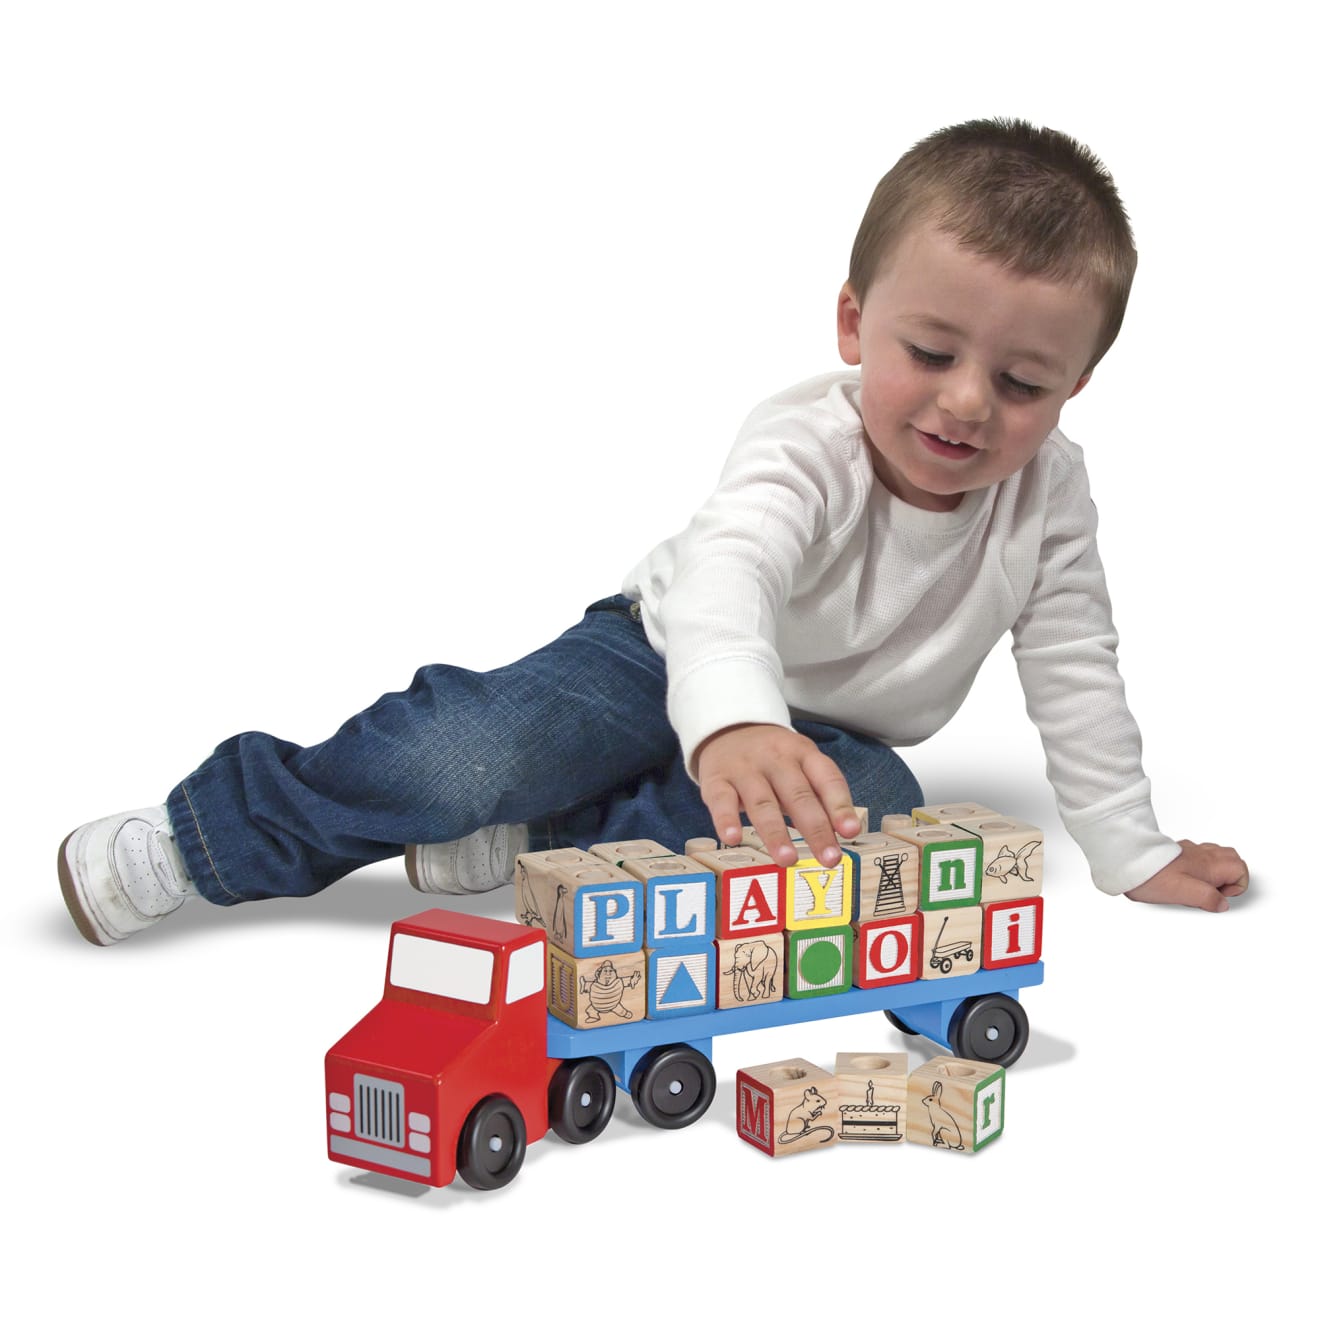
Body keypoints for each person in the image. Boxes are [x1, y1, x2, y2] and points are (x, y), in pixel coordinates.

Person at [58, 117, 1248, 947]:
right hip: (662, 653)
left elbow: (1076, 666)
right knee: (470, 753)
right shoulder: (807, 442)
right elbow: (732, 572)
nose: (968, 403)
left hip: (825, 730)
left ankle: (549, 838)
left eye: (1024, 383)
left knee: (875, 809)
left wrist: (1128, 848)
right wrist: (729, 719)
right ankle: (210, 836)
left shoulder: (1051, 499)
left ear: (1077, 384)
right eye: (930, 352)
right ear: (853, 323)